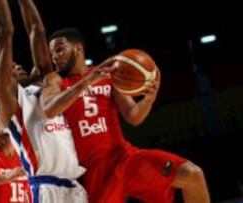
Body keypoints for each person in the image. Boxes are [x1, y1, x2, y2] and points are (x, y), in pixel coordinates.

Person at [40, 28, 211, 203]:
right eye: (52, 53)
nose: (55, 56)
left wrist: (148, 99)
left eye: (60, 49)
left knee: (192, 175)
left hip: (125, 157)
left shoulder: (109, 76)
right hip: (93, 172)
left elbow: (133, 116)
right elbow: (49, 109)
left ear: (78, 48)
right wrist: (89, 80)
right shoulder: (55, 80)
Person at [0, 0, 87, 202]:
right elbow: (5, 31)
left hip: (76, 186)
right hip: (47, 189)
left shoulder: (46, 84)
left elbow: (36, 29)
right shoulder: (10, 103)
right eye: (13, 68)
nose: (18, 67)